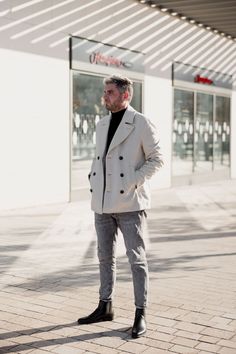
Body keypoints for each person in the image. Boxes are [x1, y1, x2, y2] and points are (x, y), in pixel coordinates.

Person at [77, 74, 163, 338]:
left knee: (136, 260)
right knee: (104, 257)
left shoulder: (141, 123)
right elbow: (101, 159)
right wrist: (93, 176)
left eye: (111, 92)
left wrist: (133, 182)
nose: (105, 96)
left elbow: (157, 159)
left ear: (126, 95)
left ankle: (140, 313)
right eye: (105, 91)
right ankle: (105, 306)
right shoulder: (102, 123)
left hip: (130, 202)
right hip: (102, 202)